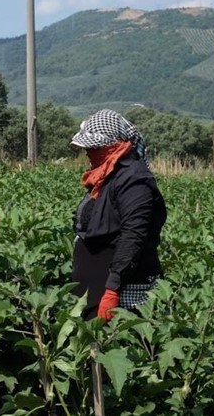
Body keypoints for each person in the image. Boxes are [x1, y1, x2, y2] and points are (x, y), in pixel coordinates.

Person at [70, 109, 167, 322]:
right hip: (96, 286)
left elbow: (133, 235)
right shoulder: (108, 175)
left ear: (113, 145)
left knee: (117, 347)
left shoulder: (135, 180)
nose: (87, 151)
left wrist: (113, 288)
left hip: (120, 290)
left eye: (92, 147)